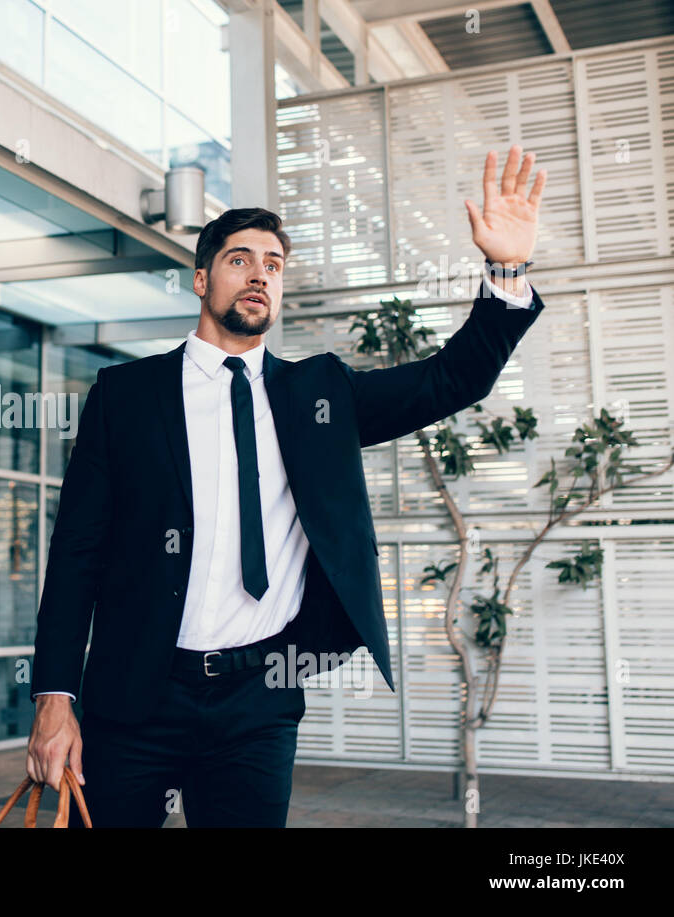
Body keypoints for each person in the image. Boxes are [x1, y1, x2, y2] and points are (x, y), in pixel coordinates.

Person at [27, 145, 548, 827]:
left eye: (273, 265)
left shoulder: (318, 395)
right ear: (199, 277)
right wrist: (54, 697)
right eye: (240, 259)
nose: (259, 275)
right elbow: (76, 554)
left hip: (258, 700)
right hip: (135, 696)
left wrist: (505, 272)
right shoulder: (125, 396)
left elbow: (451, 379)